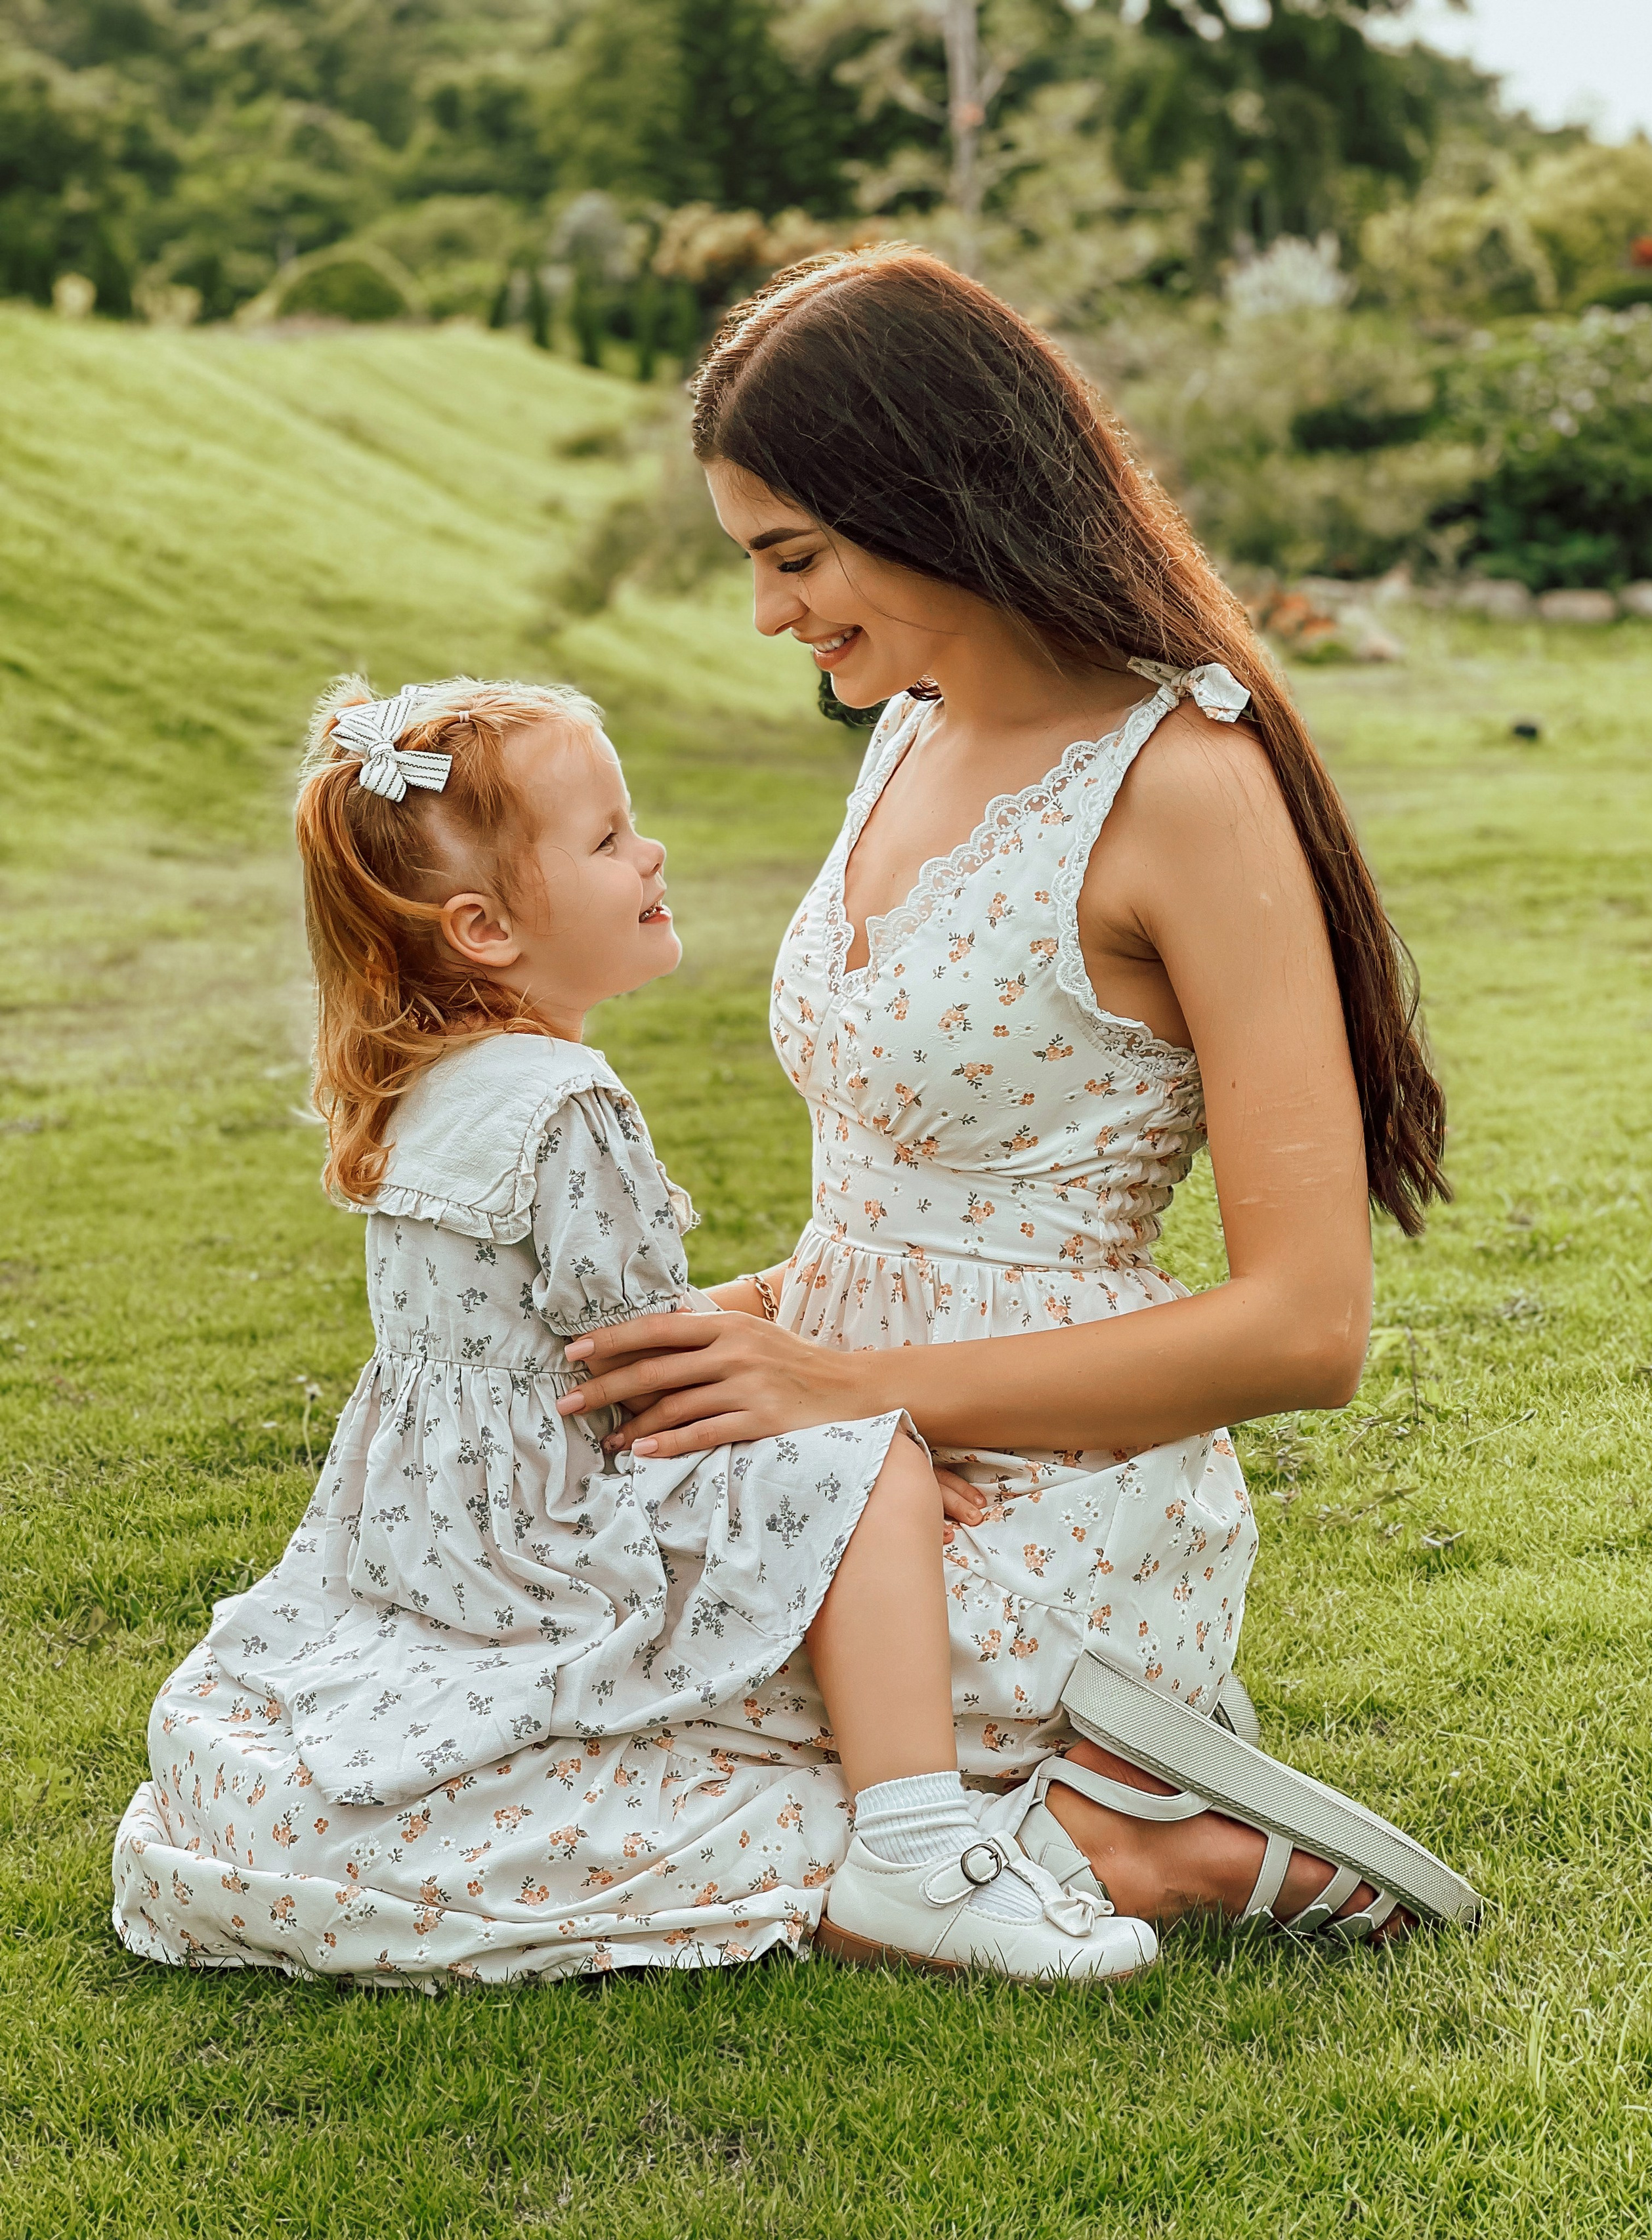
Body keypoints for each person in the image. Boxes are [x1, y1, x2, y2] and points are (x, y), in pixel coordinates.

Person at [551, 247, 1479, 1941]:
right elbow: (908, 1199)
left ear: (935, 501)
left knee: (571, 1787)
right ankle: (1068, 1827)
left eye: (794, 556)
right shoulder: (908, 728)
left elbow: (1308, 1328)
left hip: (1043, 1507)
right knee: (478, 1665)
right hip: (859, 1452)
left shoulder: (1187, 783)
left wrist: (849, 1385)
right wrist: (726, 1331)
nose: (770, 613)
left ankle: (1143, 1820)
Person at [111, 674, 1157, 1984]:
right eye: (606, 839)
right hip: (566, 1509)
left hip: (443, 1531)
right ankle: (913, 1850)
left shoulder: (427, 1091)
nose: (647, 851)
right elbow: (642, 1362)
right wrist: (852, 1465)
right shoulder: (568, 1105)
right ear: (486, 928)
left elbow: (527, 1344)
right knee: (870, 1461)